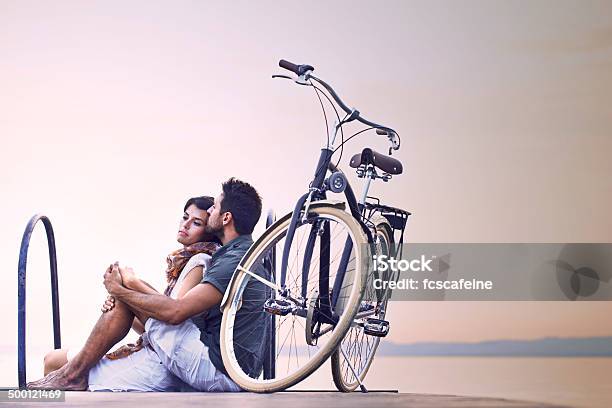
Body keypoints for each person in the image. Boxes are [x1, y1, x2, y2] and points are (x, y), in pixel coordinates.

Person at [27, 178, 265, 392]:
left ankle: (72, 376)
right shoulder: (234, 254)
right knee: (120, 303)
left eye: (215, 207)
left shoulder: (226, 260)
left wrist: (122, 289)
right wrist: (127, 297)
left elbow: (175, 312)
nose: (211, 208)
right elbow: (170, 313)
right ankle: (72, 375)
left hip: (221, 369)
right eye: (185, 218)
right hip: (224, 365)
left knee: (60, 361)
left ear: (226, 218)